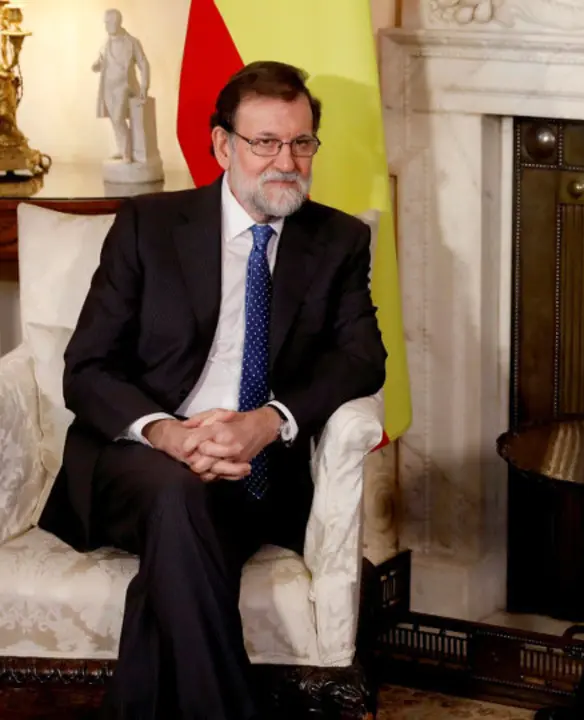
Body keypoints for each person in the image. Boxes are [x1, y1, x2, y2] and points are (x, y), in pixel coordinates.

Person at [37, 61, 387, 720]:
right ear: (223, 145)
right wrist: (169, 435)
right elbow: (86, 367)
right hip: (137, 462)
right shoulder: (149, 225)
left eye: (302, 143)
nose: (287, 162)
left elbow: (363, 360)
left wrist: (268, 421)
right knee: (177, 491)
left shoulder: (337, 240)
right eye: (265, 142)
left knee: (175, 562)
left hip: (257, 473)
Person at [92, 9, 150, 162]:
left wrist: (144, 86)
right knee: (114, 119)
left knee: (118, 117)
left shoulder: (132, 42)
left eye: (108, 23)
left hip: (124, 86)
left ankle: (127, 153)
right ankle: (122, 147)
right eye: (105, 23)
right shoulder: (106, 43)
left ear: (117, 22)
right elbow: (101, 60)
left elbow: (143, 63)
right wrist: (97, 65)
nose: (105, 26)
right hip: (107, 87)